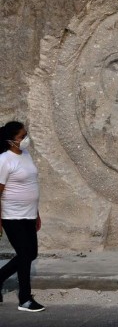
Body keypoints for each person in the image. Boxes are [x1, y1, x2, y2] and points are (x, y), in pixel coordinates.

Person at [0, 121, 45, 312]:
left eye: (26, 134)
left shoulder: (26, 155)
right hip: (12, 215)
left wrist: (37, 213)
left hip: (29, 214)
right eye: (22, 137)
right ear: (11, 140)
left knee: (31, 253)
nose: (26, 139)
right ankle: (25, 299)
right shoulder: (4, 160)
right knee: (25, 254)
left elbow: (31, 185)